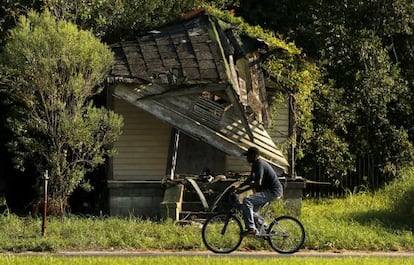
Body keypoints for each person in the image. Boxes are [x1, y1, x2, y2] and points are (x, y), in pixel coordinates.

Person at [235, 146, 283, 235]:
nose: (247, 158)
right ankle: (268, 230)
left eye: (248, 156)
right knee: (251, 212)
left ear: (255, 155)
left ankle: (251, 228)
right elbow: (251, 178)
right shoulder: (255, 165)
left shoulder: (260, 164)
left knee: (247, 201)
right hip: (268, 192)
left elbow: (258, 183)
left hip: (272, 192)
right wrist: (240, 186)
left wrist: (242, 190)